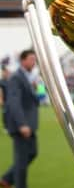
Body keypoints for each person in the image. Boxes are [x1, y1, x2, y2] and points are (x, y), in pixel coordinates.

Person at [0, 50, 39, 188]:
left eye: (35, 59)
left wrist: (36, 88)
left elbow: (37, 99)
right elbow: (14, 103)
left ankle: (6, 179)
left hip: (30, 124)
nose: (34, 62)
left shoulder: (28, 77)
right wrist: (22, 124)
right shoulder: (17, 77)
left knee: (32, 153)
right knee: (21, 161)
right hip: (21, 126)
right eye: (31, 59)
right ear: (22, 61)